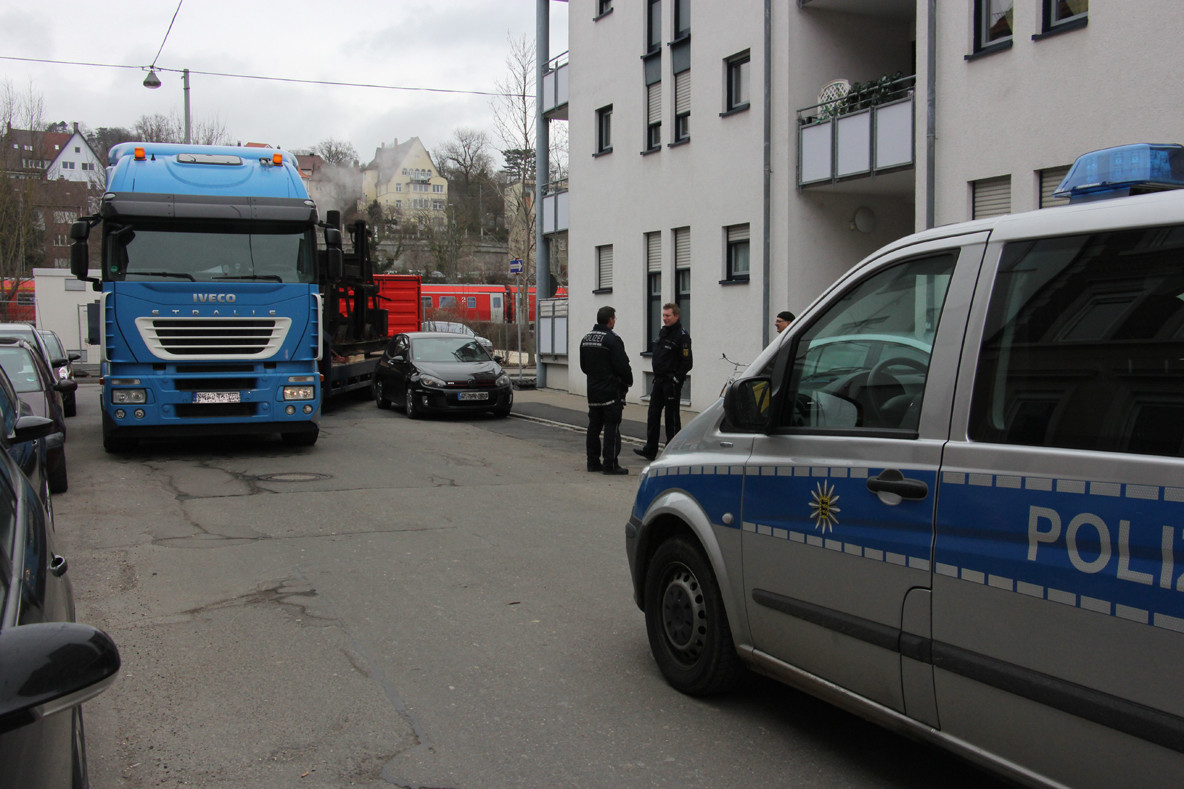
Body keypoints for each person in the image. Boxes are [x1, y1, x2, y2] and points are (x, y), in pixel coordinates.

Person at [635, 302, 692, 461]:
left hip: (671, 382)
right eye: (664, 315)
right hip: (659, 381)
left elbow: (687, 362)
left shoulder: (682, 336)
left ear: (676, 316)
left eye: (668, 315)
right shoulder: (663, 332)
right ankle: (650, 449)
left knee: (671, 417)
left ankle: (672, 450)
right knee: (653, 414)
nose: (665, 318)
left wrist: (676, 378)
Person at [580, 306, 633, 475]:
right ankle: (610, 464)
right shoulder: (612, 340)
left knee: (594, 426)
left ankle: (592, 462)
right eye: (614, 318)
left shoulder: (586, 338)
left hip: (593, 390)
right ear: (610, 320)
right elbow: (622, 366)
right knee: (612, 426)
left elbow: (584, 366)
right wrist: (627, 382)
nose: (614, 321)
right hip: (610, 391)